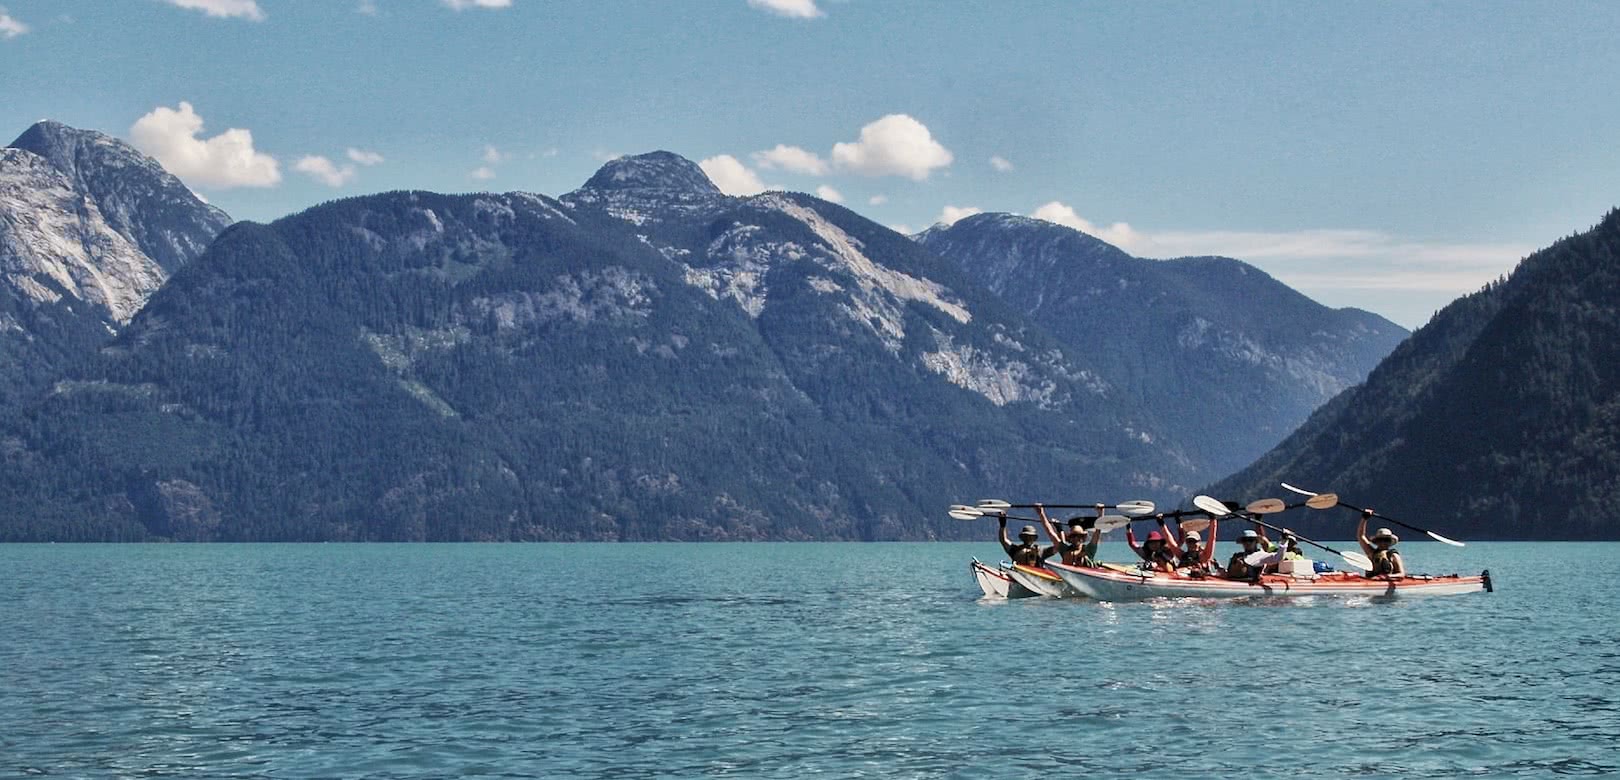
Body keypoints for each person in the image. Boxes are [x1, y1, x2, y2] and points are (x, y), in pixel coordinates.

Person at [1357, 509, 1406, 578]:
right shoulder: (1371, 552)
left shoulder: (1393, 555)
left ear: (1390, 542)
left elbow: (1401, 574)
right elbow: (1361, 536)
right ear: (1376, 541)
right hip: (1371, 582)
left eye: (1386, 540)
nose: (1383, 542)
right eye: (1380, 540)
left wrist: (1384, 577)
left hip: (1386, 582)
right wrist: (1364, 518)